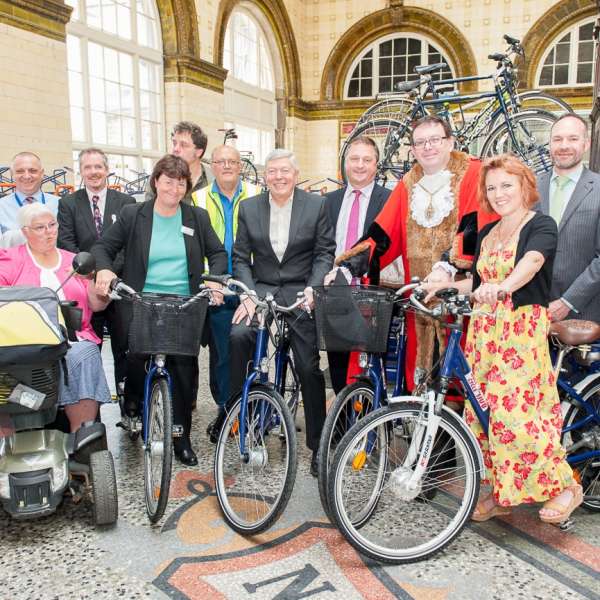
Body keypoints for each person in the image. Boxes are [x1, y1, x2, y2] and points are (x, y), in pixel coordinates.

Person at [422, 154, 582, 524]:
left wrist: (504, 287)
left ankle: (566, 486)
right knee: (483, 415)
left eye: (506, 185)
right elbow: (477, 285)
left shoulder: (540, 224)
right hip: (485, 333)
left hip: (520, 332)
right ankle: (500, 492)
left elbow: (533, 263)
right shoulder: (488, 234)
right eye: (491, 188)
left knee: (518, 415)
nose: (498, 194)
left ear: (526, 186)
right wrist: (445, 286)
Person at [337, 115, 497, 391]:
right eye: (420, 142)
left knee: (462, 378)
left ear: (450, 142)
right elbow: (382, 234)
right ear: (412, 150)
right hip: (420, 302)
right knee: (424, 379)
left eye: (435, 140)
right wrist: (348, 266)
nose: (428, 147)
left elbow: (475, 227)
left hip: (461, 298)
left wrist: (447, 266)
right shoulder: (408, 184)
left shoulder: (473, 173)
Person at [93, 155, 228, 466]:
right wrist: (104, 270)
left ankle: (181, 438)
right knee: (136, 356)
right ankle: (132, 400)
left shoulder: (196, 217)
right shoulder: (133, 214)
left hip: (184, 304)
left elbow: (218, 253)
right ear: (156, 182)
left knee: (183, 371)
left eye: (181, 182)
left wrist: (216, 281)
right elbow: (103, 248)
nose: (174, 188)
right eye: (168, 181)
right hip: (141, 300)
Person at [230, 149, 336, 476]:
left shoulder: (317, 206)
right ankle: (241, 418)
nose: (278, 177)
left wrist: (313, 288)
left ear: (295, 173)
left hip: (299, 290)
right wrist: (247, 295)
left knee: (307, 365)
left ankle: (318, 445)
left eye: (284, 171)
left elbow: (324, 253)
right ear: (265, 175)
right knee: (238, 337)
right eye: (272, 171)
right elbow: (240, 257)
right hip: (260, 288)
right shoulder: (248, 208)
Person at [0, 203, 111, 431]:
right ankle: (6, 444)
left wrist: (98, 287)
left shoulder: (75, 261)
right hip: (22, 342)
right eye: (40, 227)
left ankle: (83, 438)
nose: (48, 232)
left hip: (71, 339)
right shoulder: (9, 260)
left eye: (52, 225)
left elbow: (97, 306)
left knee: (86, 353)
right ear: (25, 232)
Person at [191, 144, 261, 440]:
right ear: (213, 165)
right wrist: (212, 282)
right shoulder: (198, 198)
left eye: (233, 161)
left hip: (251, 285)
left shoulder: (258, 194)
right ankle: (225, 408)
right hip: (216, 288)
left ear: (241, 166)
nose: (227, 166)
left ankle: (251, 405)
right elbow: (197, 246)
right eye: (221, 162)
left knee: (250, 348)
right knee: (221, 352)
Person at [57, 148, 135, 390]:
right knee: (89, 351)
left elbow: (129, 244)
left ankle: (129, 407)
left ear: (107, 170)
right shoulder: (68, 203)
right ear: (81, 171)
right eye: (88, 167)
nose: (93, 172)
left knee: (125, 347)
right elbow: (66, 243)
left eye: (98, 167)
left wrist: (107, 272)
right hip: (84, 288)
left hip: (119, 287)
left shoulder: (126, 203)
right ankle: (91, 414)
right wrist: (91, 274)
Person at [323, 135, 390, 395]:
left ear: (376, 165)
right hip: (335, 291)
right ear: (345, 163)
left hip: (371, 293)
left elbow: (384, 244)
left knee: (368, 368)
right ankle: (342, 420)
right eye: (354, 159)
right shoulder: (329, 201)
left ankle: (370, 424)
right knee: (338, 366)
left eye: (367, 159)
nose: (360, 165)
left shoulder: (389, 200)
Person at [537, 113, 600, 323]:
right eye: (557, 139)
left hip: (584, 315)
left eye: (573, 139)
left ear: (586, 144)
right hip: (533, 314)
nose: (564, 145)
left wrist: (568, 302)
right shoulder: (531, 189)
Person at [0, 152, 60, 248]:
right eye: (20, 171)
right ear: (12, 174)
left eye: (32, 171)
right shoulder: (1, 207)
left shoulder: (60, 204)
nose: (27, 176)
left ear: (41, 173)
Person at [145, 121, 213, 204]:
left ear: (199, 152)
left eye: (183, 145)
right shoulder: (158, 177)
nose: (175, 149)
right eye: (174, 143)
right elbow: (147, 212)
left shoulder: (214, 179)